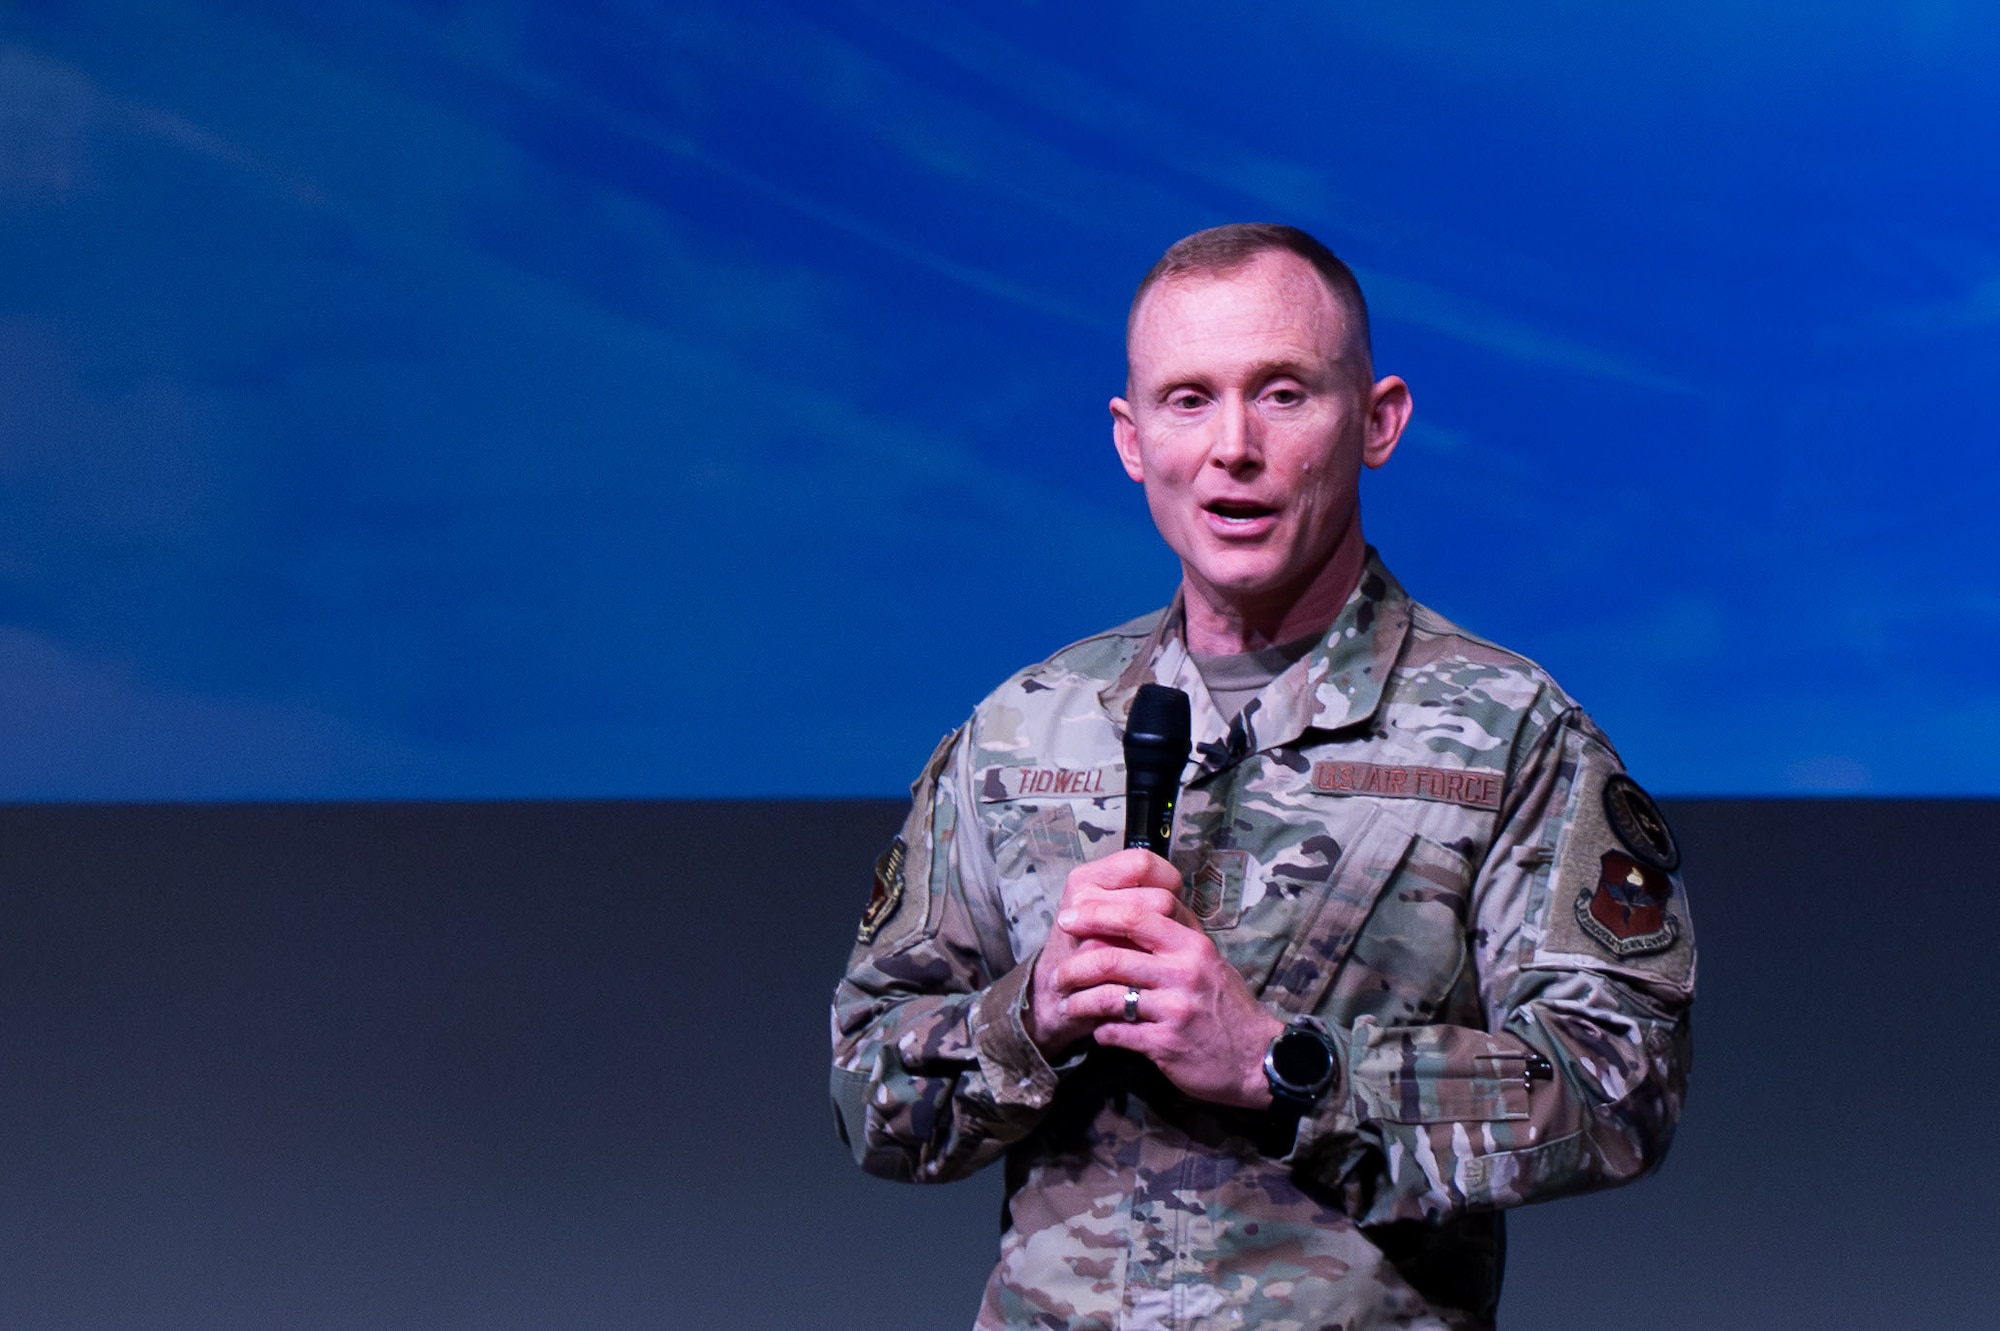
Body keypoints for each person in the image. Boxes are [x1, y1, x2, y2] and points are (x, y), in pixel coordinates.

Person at [829, 223, 1693, 1330]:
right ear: (1130, 438)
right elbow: (869, 1096)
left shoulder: (1509, 734)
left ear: (1375, 422)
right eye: (1187, 400)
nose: (1232, 445)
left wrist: (1287, 1066)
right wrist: (1031, 1011)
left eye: (1282, 394)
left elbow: (1618, 1087)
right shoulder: (1019, 732)